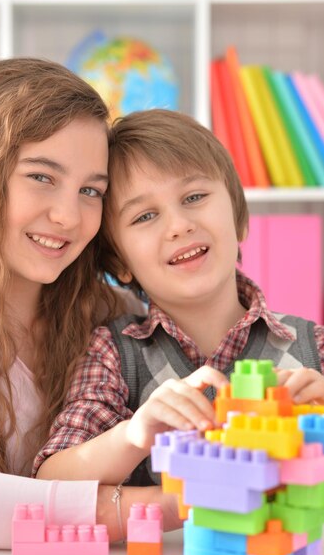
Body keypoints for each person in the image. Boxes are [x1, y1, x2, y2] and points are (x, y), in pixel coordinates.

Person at [0, 57, 152, 549]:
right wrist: (151, 510)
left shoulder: (116, 316)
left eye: (90, 190)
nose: (67, 215)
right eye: (41, 176)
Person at [35, 109, 324, 492]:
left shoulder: (314, 348)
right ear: (120, 262)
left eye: (194, 197)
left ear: (237, 216)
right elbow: (50, 481)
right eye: (145, 216)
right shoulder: (114, 354)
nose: (178, 225)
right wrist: (135, 434)